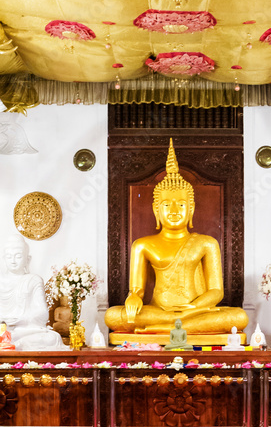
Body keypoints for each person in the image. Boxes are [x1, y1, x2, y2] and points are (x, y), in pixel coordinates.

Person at [104, 140, 248, 337]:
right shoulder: (143, 245)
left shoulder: (206, 243)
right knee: (113, 316)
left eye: (180, 205)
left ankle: (164, 328)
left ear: (191, 209)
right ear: (156, 209)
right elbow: (136, 290)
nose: (173, 211)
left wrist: (192, 307)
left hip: (194, 311)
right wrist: (134, 298)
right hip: (158, 311)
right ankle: (176, 326)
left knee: (238, 317)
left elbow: (216, 291)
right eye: (166, 205)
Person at [0, 234, 66, 351]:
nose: (13, 261)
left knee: (52, 338)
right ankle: (12, 344)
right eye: (9, 256)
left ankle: (13, 344)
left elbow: (42, 314)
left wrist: (19, 319)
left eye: (18, 256)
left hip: (24, 331)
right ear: (4, 258)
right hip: (0, 330)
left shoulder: (34, 280)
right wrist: (3, 320)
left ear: (28, 259)